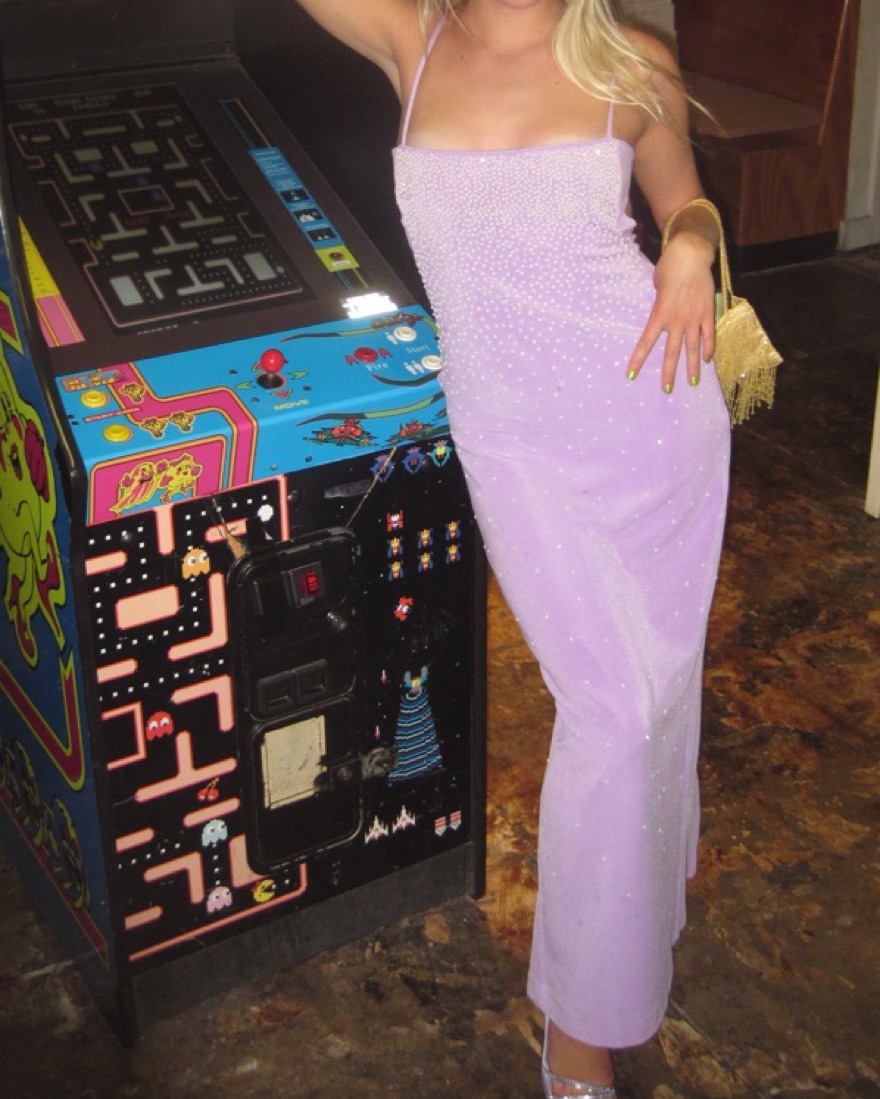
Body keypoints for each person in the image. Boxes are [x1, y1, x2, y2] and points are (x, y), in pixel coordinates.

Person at [291, 2, 731, 1095]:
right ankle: (584, 1022)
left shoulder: (631, 60)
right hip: (519, 442)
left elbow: (686, 196)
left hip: (652, 410)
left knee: (657, 687)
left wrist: (688, 244)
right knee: (615, 707)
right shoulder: (415, 37)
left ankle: (641, 897)